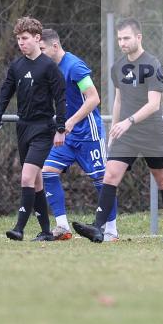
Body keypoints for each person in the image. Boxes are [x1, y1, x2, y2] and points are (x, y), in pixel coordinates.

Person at [72, 18, 163, 243]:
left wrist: (128, 121)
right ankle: (98, 228)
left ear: (138, 37)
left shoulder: (153, 64)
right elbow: (119, 99)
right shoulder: (118, 67)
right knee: (110, 175)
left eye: (126, 38)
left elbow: (154, 104)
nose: (122, 42)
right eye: (119, 38)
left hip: (151, 133)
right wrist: (114, 126)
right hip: (126, 134)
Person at [0, 16, 66, 242]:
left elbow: (61, 98)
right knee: (37, 180)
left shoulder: (49, 67)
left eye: (25, 38)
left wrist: (60, 128)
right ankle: (46, 231)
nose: (21, 43)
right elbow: (4, 96)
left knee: (26, 178)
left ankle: (19, 228)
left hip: (43, 129)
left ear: (37, 38)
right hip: (23, 127)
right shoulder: (17, 66)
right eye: (18, 39)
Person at [38, 29, 115, 241]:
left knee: (102, 180)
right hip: (66, 135)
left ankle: (111, 231)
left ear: (55, 46)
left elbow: (93, 98)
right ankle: (62, 227)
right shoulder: (49, 69)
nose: (40, 53)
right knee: (47, 172)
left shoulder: (74, 66)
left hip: (87, 134)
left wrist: (71, 121)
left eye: (42, 49)